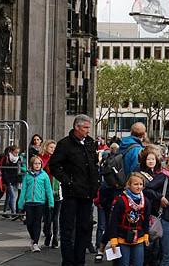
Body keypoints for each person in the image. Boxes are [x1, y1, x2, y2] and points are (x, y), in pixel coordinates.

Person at [48, 114, 100, 266]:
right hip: (71, 193)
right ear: (76, 127)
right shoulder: (65, 144)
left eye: (88, 128)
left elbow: (94, 165)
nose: (87, 131)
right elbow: (55, 165)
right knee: (68, 228)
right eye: (85, 128)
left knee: (84, 228)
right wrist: (68, 181)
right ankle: (68, 261)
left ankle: (80, 260)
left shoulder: (90, 143)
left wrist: (96, 184)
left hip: (87, 193)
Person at [107, 173, 151, 266]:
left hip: (139, 237)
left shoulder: (145, 201)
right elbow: (113, 222)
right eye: (135, 184)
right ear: (129, 185)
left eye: (140, 184)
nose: (138, 187)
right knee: (124, 263)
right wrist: (113, 240)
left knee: (138, 263)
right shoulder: (121, 201)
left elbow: (146, 220)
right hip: (122, 238)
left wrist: (146, 235)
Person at [18, 156, 55, 253]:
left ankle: (35, 243)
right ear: (31, 165)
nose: (37, 165)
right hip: (29, 202)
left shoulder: (44, 176)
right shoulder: (27, 176)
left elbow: (48, 190)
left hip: (40, 203)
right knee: (29, 223)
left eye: (39, 163)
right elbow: (23, 190)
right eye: (35, 163)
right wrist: (20, 203)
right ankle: (33, 238)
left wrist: (51, 202)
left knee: (37, 222)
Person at [0, 146, 21, 217]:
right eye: (15, 152)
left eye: (18, 152)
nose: (17, 154)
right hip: (6, 180)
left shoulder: (17, 159)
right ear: (11, 151)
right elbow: (4, 170)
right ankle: (13, 213)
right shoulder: (5, 158)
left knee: (7, 195)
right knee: (11, 195)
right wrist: (5, 181)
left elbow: (17, 170)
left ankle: (3, 211)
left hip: (12, 179)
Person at [39, 140, 60, 248]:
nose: (53, 149)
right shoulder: (41, 159)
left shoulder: (58, 159)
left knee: (55, 217)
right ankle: (48, 234)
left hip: (57, 191)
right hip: (46, 191)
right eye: (51, 147)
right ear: (46, 147)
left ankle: (55, 239)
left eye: (54, 148)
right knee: (47, 216)